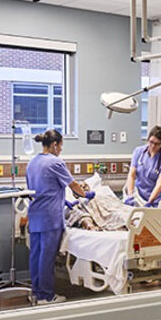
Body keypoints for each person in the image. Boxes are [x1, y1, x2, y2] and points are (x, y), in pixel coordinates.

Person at [25, 129, 93, 305]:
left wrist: (64, 202)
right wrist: (86, 195)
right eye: (61, 146)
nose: (61, 150)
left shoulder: (32, 163)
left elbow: (40, 189)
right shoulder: (55, 163)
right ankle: (46, 296)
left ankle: (36, 292)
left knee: (36, 255)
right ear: (55, 145)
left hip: (35, 214)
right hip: (50, 216)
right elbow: (73, 185)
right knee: (46, 257)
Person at [124, 126, 161, 207]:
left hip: (158, 198)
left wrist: (150, 202)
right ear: (148, 139)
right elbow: (132, 175)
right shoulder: (138, 152)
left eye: (157, 144)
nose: (153, 146)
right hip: (140, 196)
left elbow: (160, 183)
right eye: (151, 142)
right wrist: (130, 196)